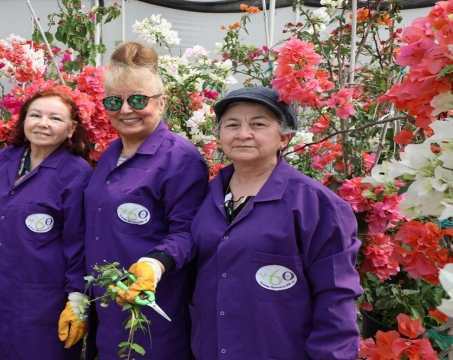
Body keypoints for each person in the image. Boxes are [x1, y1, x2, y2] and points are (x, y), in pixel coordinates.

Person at [189, 86, 362, 359]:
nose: (243, 134)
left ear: (284, 137)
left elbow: (335, 299)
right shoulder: (206, 196)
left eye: (258, 124)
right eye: (232, 125)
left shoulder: (317, 206)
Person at [84, 41, 209, 360]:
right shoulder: (112, 153)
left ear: (162, 102)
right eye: (114, 101)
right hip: (107, 305)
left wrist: (154, 264)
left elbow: (188, 232)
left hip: (151, 305)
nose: (125, 109)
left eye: (138, 99)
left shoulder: (179, 158)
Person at [0, 89, 92, 359]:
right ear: (24, 120)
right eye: (35, 115)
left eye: (55, 118)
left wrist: (78, 298)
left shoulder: (76, 174)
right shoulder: (5, 159)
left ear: (71, 128)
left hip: (44, 297)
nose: (43, 123)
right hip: (1, 287)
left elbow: (79, 242)